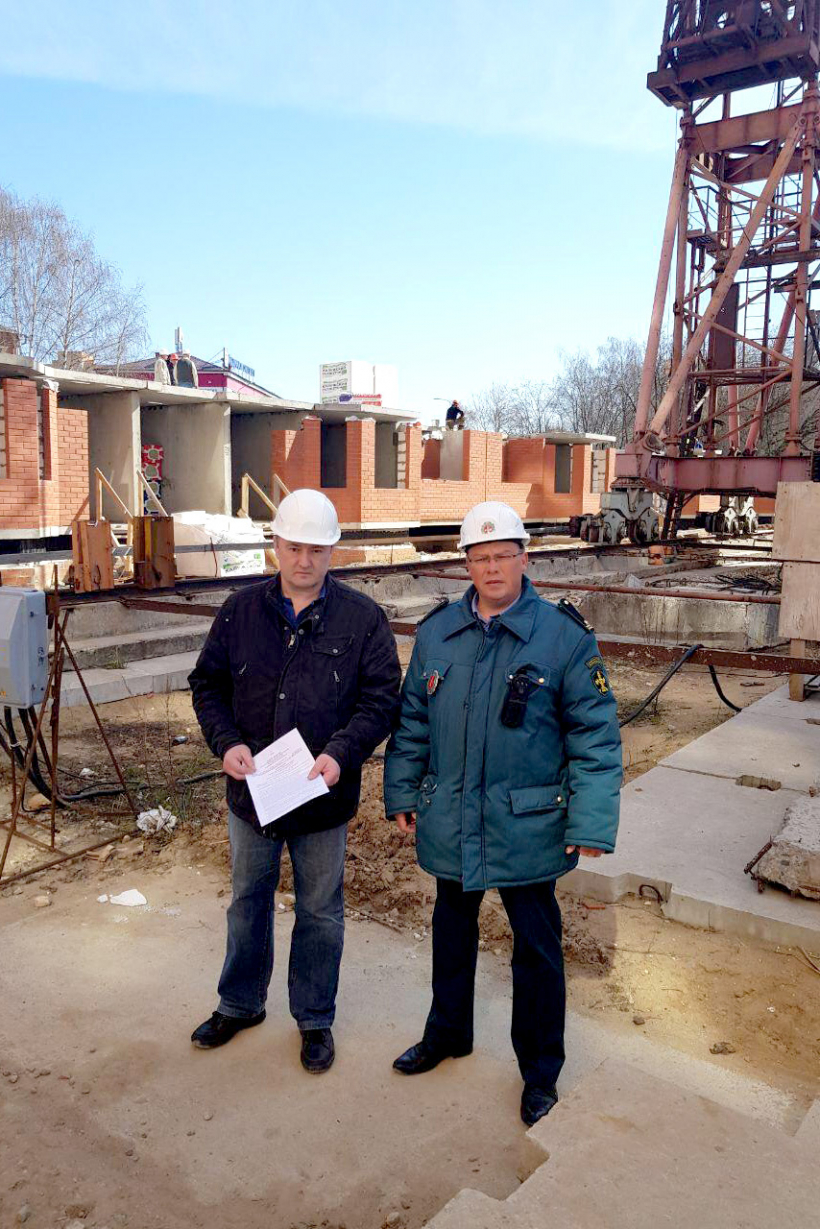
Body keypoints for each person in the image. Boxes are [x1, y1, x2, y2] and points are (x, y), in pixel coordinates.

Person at [383, 500, 622, 1125]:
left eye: (503, 556)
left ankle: (540, 1073)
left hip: (528, 824)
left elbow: (595, 736)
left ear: (524, 558)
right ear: (466, 563)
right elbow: (413, 721)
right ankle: (447, 1033)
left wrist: (591, 821)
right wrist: (402, 791)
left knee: (536, 951)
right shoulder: (438, 633)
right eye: (480, 558)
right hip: (454, 816)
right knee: (451, 933)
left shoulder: (564, 638)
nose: (492, 568)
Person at [189, 489, 401, 1072]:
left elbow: (382, 700)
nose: (304, 560)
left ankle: (313, 1019)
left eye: (316, 550)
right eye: (293, 547)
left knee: (320, 910)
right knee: (247, 902)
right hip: (253, 792)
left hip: (321, 796)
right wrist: (227, 742)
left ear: (333, 552)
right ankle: (239, 1004)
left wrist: (342, 753)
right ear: (275, 546)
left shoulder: (362, 619)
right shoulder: (239, 612)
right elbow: (207, 685)